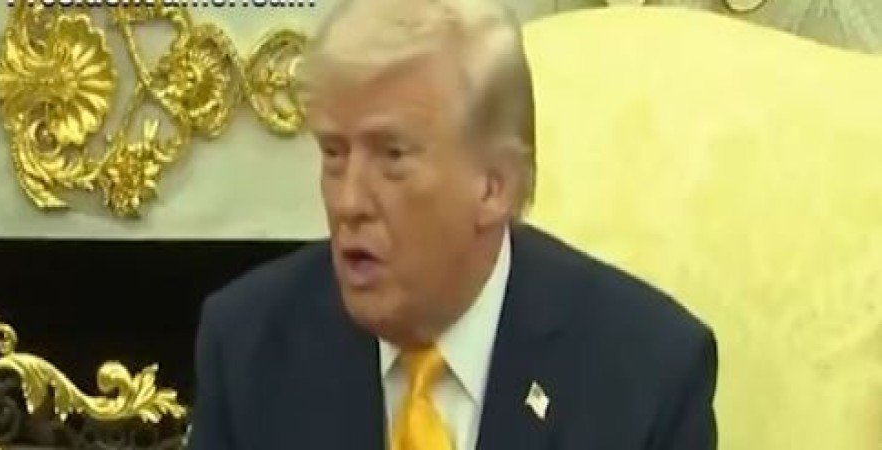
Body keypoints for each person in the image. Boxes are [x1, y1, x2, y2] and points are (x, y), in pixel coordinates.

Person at [188, 0, 717, 448]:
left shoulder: (647, 374)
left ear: (494, 185)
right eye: (334, 153)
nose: (348, 201)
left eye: (392, 155)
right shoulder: (247, 347)